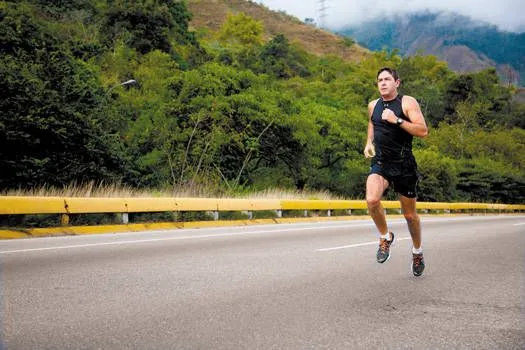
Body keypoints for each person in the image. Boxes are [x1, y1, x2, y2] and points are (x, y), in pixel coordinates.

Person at [363, 67, 428, 276]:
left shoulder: (407, 102)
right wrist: (368, 143)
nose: (383, 83)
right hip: (381, 162)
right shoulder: (373, 105)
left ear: (396, 83)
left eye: (387, 79)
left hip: (404, 165)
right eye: (380, 80)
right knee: (372, 200)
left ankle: (417, 251)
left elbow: (423, 131)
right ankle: (385, 237)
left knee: (409, 215)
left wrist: (397, 120)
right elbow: (371, 124)